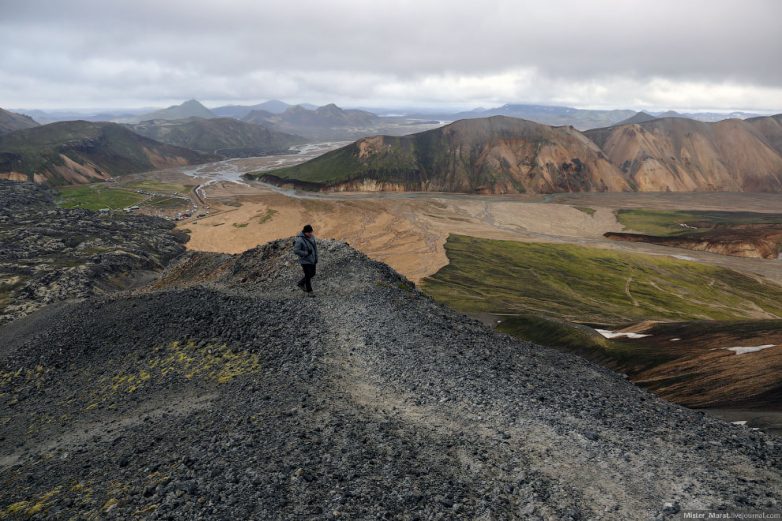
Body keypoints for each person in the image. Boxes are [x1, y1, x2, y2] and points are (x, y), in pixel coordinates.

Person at [293, 224, 318, 295]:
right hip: (304, 261)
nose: (311, 234)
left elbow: (315, 248)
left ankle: (301, 283)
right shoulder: (299, 240)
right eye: (309, 232)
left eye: (311, 232)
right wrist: (306, 253)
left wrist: (316, 257)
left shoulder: (312, 237)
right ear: (305, 232)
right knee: (307, 275)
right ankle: (310, 292)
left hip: (312, 259)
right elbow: (296, 251)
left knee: (312, 273)